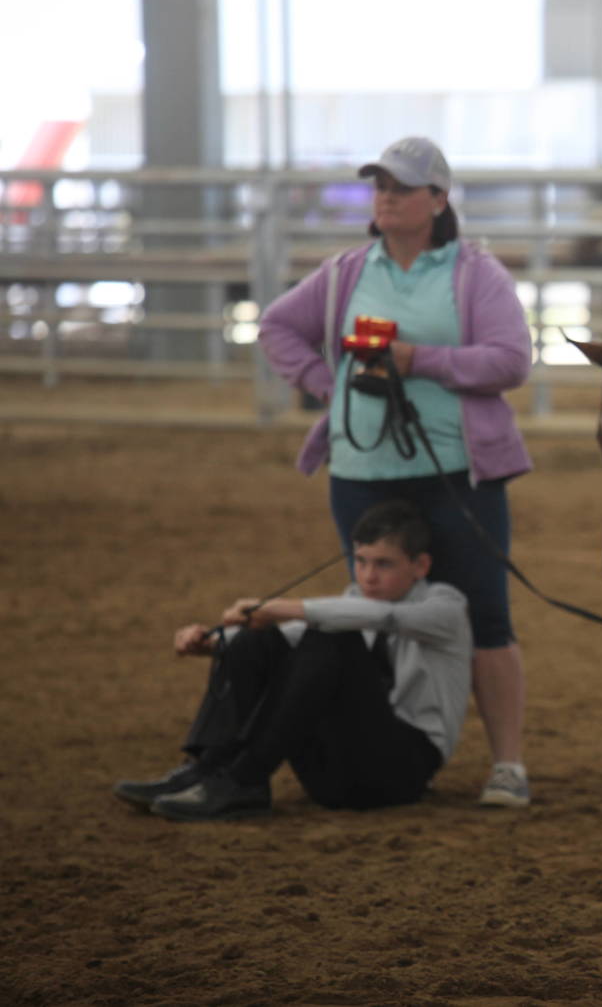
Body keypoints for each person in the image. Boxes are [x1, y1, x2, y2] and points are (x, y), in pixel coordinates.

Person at [257, 136, 535, 808]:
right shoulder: (347, 271)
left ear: (438, 201)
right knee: (372, 606)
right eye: (379, 184)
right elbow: (276, 326)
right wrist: (331, 387)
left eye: (401, 187)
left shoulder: (476, 275)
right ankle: (380, 749)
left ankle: (508, 764)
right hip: (363, 469)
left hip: (457, 472)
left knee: (486, 618)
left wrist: (424, 361)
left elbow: (511, 360)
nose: (384, 196)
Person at [113, 500, 473, 821]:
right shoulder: (351, 602)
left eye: (384, 564)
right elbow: (289, 639)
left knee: (329, 633)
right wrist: (211, 642)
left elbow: (381, 617)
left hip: (399, 774)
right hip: (332, 776)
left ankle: (245, 779)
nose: (368, 576)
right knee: (259, 639)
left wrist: (273, 608)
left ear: (421, 565)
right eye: (360, 561)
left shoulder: (445, 607)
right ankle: (207, 769)